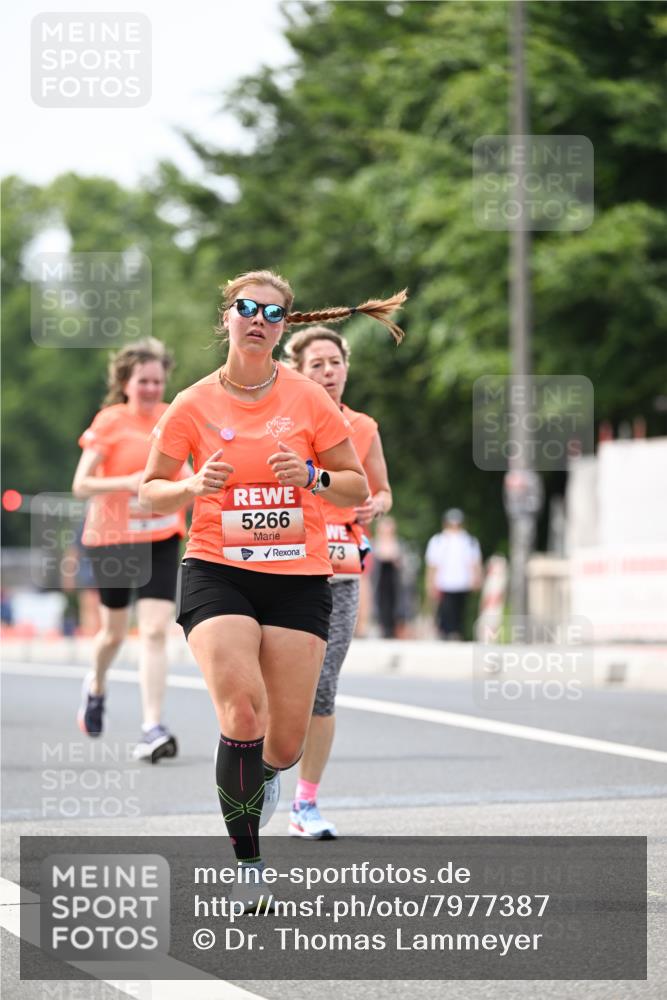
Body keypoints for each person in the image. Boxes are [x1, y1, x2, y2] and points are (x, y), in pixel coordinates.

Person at [140, 271, 405, 907]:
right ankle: (248, 859)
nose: (258, 319)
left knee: (283, 744)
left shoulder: (309, 402)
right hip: (215, 568)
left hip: (297, 576)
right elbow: (151, 486)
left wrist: (312, 477)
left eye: (272, 313)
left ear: (283, 325)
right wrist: (191, 488)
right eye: (246, 308)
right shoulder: (193, 403)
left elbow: (357, 488)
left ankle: (260, 779)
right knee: (243, 712)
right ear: (227, 317)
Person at [284, 326, 392, 839]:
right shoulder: (283, 423)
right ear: (297, 372)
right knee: (278, 690)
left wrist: (375, 504)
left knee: (323, 689)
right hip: (285, 565)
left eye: (334, 362)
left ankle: (306, 803)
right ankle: (258, 782)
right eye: (316, 365)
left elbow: (382, 490)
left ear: (346, 367)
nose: (328, 373)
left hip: (341, 569)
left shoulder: (363, 427)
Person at [72, 338, 188, 762]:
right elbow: (81, 485)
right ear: (125, 381)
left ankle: (151, 727)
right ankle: (97, 685)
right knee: (113, 634)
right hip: (113, 539)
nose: (152, 389)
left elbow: (188, 473)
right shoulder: (110, 421)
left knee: (156, 630)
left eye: (158, 381)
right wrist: (129, 483)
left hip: (160, 536)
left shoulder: (173, 417)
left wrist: (183, 487)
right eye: (144, 381)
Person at [425, 508, 482, 640]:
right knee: (445, 611)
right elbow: (433, 564)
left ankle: (456, 633)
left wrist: (477, 578)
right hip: (444, 582)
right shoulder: (438, 540)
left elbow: (474, 562)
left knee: (460, 610)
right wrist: (430, 583)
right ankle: (446, 632)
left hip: (463, 582)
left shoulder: (469, 541)